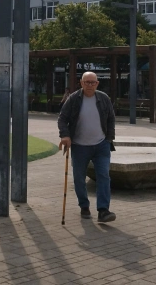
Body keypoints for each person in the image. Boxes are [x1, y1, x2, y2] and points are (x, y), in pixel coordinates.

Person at [57, 71, 116, 223]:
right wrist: (65, 135)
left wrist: (109, 139)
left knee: (103, 175)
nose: (90, 85)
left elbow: (111, 119)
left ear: (97, 83)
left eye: (93, 82)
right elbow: (63, 118)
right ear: (81, 83)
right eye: (87, 82)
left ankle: (103, 210)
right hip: (79, 146)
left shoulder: (103, 98)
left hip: (101, 145)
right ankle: (84, 206)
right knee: (79, 178)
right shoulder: (74, 99)